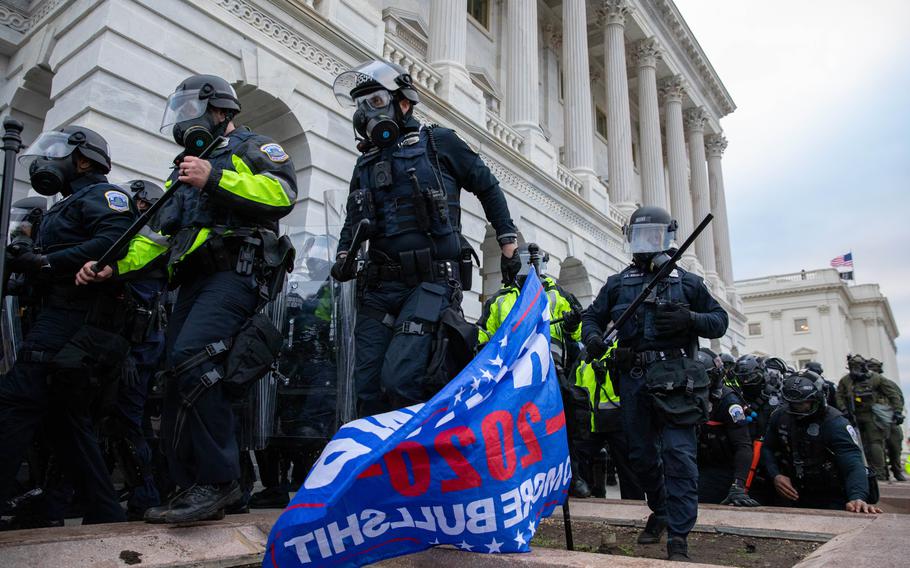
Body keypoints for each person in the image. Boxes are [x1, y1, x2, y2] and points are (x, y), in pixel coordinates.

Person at [77, 74, 297, 523]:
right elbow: (156, 236)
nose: (182, 123)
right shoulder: (184, 168)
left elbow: (282, 193)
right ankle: (205, 485)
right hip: (192, 281)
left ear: (220, 111)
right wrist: (112, 265)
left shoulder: (252, 147)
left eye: (189, 112)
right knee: (180, 375)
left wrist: (213, 176)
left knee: (196, 358)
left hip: (235, 273)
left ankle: (215, 482)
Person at [330, 60, 518, 416]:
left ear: (403, 103)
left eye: (375, 101)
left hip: (430, 282)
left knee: (403, 380)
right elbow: (353, 218)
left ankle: (422, 463)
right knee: (365, 391)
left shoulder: (439, 142)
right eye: (360, 105)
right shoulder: (366, 162)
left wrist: (508, 244)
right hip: (379, 287)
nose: (365, 113)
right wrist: (343, 255)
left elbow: (487, 186)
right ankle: (380, 469)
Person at [0, 126, 136, 524]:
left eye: (57, 152)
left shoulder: (102, 196)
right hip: (54, 314)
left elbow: (114, 242)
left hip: (73, 319)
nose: (48, 161)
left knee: (15, 402)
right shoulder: (64, 205)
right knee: (67, 423)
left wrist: (47, 262)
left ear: (82, 159)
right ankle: (106, 511)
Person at [581, 205, 728, 561]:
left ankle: (679, 536)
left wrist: (689, 318)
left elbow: (719, 321)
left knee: (679, 457)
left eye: (653, 237)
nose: (646, 244)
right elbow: (591, 318)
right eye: (640, 237)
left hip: (677, 383)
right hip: (633, 381)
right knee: (641, 457)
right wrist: (595, 337)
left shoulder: (688, 282)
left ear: (668, 238)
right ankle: (660, 508)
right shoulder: (617, 284)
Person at [476, 244, 588, 496]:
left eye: (534, 262)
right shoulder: (500, 299)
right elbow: (484, 334)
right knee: (510, 429)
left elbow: (578, 334)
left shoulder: (558, 295)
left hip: (551, 371)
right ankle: (511, 479)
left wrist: (573, 323)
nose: (531, 268)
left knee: (566, 421)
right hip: (512, 376)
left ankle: (573, 475)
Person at [762, 371, 881, 513]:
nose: (798, 408)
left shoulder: (836, 424)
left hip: (832, 494)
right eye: (793, 404)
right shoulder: (781, 416)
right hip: (796, 491)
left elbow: (853, 464)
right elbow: (767, 448)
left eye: (803, 403)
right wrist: (776, 475)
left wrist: (857, 496)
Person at [573, 345, 644, 500]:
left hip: (620, 421)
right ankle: (584, 507)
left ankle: (637, 512)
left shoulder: (624, 347)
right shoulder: (586, 352)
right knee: (578, 467)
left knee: (630, 473)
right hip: (591, 422)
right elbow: (575, 387)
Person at [695, 348, 759, 507]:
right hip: (695, 463)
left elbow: (743, 445)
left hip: (722, 466)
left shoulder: (729, 402)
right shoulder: (685, 397)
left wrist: (738, 485)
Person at [836, 355, 903, 481]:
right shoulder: (847, 380)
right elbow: (839, 396)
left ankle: (880, 473)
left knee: (875, 444)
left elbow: (894, 395)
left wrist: (897, 411)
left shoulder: (873, 379)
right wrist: (844, 410)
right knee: (870, 444)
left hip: (871, 415)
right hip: (856, 416)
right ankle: (876, 472)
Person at [866, 358, 906, 481]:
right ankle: (882, 473)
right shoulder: (864, 385)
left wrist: (897, 412)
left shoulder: (889, 383)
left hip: (890, 418)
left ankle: (896, 470)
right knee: (876, 446)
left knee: (895, 446)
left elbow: (898, 398)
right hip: (872, 420)